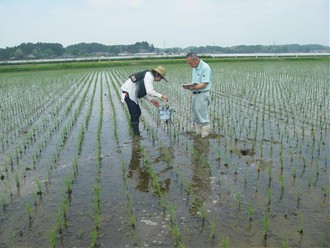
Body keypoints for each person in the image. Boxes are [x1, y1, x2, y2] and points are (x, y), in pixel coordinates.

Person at [121, 66, 169, 135]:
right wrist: (161, 96)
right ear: (157, 74)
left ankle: (135, 132)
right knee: (134, 113)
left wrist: (152, 100)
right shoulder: (149, 76)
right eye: (161, 78)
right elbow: (149, 91)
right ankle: (136, 134)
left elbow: (141, 91)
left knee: (138, 112)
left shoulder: (147, 75)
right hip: (127, 93)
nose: (160, 80)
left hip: (132, 93)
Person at [182, 52, 212, 138]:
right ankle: (198, 134)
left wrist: (192, 88)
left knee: (202, 114)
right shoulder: (194, 68)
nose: (189, 65)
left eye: (190, 63)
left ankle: (205, 137)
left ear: (196, 60)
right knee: (195, 114)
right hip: (195, 93)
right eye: (188, 64)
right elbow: (195, 83)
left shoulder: (205, 67)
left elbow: (204, 84)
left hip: (202, 94)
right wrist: (191, 90)